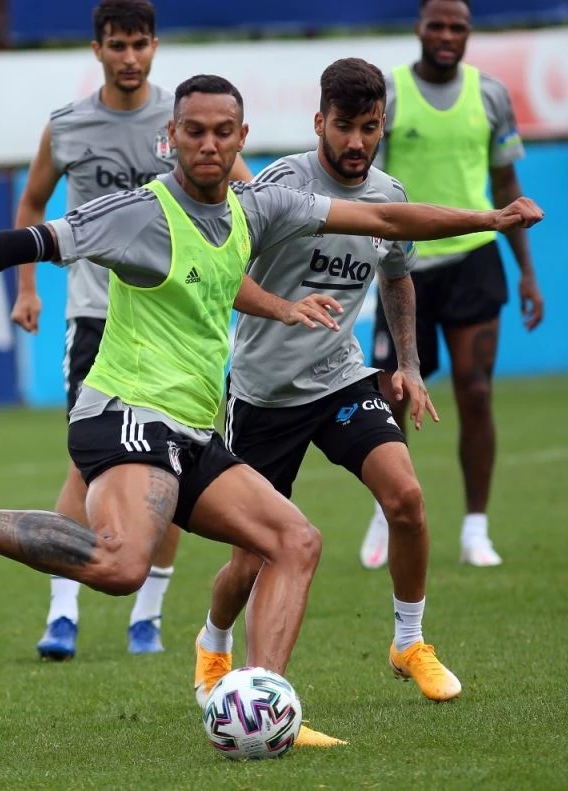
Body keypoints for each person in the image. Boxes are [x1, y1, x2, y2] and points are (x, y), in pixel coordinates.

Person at [0, 74, 543, 747]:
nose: (210, 144)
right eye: (195, 131)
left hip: (194, 429)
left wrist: (490, 217)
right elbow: (34, 240)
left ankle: (265, 704)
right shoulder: (138, 213)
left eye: (223, 132)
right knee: (121, 567)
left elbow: (385, 218)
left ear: (242, 138)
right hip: (126, 411)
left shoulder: (256, 207)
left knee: (295, 541)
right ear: (171, 136)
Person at [193, 57, 462, 712]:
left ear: (382, 124)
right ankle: (213, 641)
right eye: (344, 126)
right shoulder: (282, 185)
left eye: (369, 127)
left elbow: (397, 275)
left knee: (406, 498)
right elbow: (226, 271)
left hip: (340, 380)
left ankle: (409, 641)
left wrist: (408, 364)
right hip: (263, 394)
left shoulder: (389, 196)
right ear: (319, 121)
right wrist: (284, 308)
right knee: (250, 559)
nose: (356, 142)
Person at [10, 0, 252, 659]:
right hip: (97, 314)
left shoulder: (185, 120)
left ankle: (148, 615)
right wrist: (27, 289)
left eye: (139, 43)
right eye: (116, 45)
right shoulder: (68, 125)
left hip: (179, 317)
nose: (129, 57)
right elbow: (32, 203)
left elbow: (247, 198)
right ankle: (63, 611)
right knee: (84, 462)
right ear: (97, 50)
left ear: (154, 46)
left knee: (170, 462)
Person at [361, 0, 545, 570]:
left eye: (457, 27)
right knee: (392, 395)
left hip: (474, 259)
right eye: (436, 25)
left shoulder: (490, 94)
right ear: (419, 28)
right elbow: (365, 178)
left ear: (468, 32)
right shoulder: (389, 93)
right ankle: (387, 513)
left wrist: (527, 271)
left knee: (477, 391)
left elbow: (504, 180)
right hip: (403, 264)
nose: (446, 35)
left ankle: (475, 529)